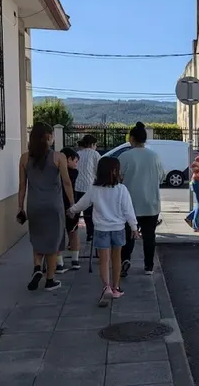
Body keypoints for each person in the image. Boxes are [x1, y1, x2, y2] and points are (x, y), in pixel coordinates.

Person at [68, 157, 138, 306]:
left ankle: (106, 286)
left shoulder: (94, 189)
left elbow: (82, 204)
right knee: (116, 258)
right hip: (118, 229)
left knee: (104, 260)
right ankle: (116, 287)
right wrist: (133, 227)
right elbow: (128, 210)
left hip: (101, 229)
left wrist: (72, 210)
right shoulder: (121, 189)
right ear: (115, 171)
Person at [17, 122, 74, 291]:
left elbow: (22, 186)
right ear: (49, 136)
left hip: (34, 205)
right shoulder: (58, 157)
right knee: (53, 243)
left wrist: (20, 207)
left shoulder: (24, 158)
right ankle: (50, 279)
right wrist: (72, 204)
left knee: (38, 238)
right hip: (53, 206)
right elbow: (67, 183)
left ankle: (36, 268)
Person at [119, 122, 164, 276]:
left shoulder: (124, 156)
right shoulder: (155, 156)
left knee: (127, 234)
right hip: (151, 204)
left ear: (131, 138)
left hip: (129, 204)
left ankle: (125, 260)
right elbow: (161, 176)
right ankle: (149, 266)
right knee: (149, 236)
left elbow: (118, 178)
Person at [74, 135, 100, 243]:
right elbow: (98, 169)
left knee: (75, 212)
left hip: (77, 187)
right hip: (90, 188)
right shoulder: (95, 154)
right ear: (93, 144)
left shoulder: (78, 154)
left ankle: (73, 237)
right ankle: (90, 234)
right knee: (89, 213)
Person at [60, 148, 81, 271]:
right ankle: (75, 260)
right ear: (68, 160)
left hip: (58, 204)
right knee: (73, 232)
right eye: (75, 161)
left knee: (59, 234)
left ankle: (59, 262)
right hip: (70, 204)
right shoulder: (73, 172)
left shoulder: (55, 172)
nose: (76, 164)